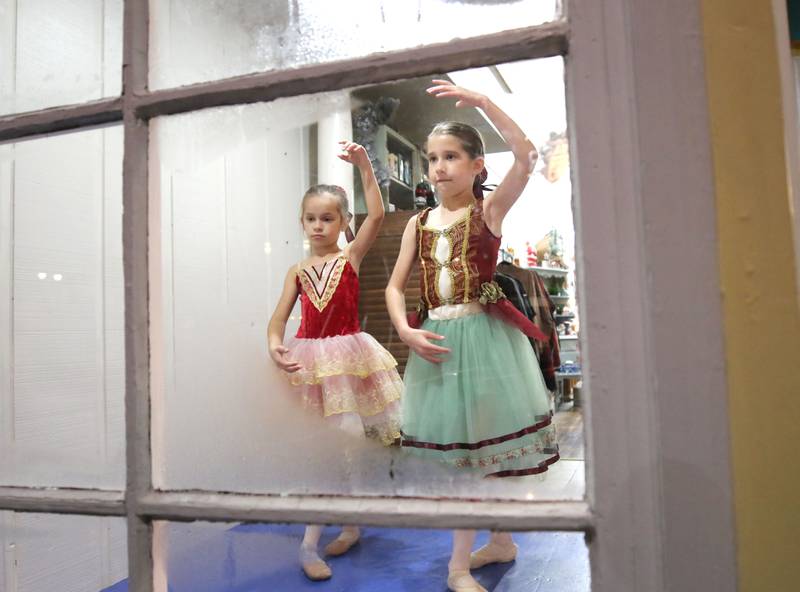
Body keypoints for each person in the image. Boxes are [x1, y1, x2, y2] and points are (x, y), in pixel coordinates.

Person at [385, 81, 560, 592]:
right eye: (432, 158)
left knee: (476, 455)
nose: (439, 167)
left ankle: (458, 567)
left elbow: (526, 157)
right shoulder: (417, 223)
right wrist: (404, 330)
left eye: (452, 156)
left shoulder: (488, 213)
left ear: (477, 164)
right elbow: (396, 287)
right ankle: (501, 541)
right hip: (438, 340)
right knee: (469, 454)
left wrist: (485, 104)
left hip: (485, 340)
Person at [267, 141, 402, 581]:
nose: (318, 225)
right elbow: (277, 322)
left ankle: (321, 537)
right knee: (320, 452)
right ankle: (341, 526)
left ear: (344, 223)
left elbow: (378, 216)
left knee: (339, 450)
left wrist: (364, 164)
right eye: (311, 218)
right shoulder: (296, 271)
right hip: (310, 366)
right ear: (302, 222)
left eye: (328, 218)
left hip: (348, 361)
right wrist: (274, 345)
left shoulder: (350, 258)